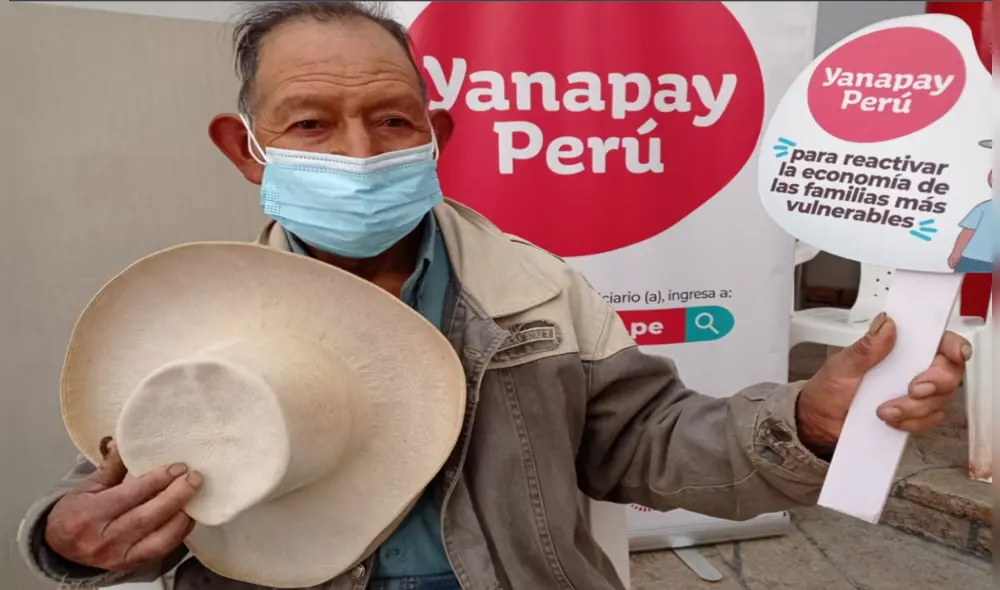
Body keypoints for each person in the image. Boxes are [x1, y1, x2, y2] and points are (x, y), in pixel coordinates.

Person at [19, 3, 971, 590]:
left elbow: (647, 440)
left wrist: (805, 416)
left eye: (391, 120)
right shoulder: (187, 323)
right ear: (245, 149)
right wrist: (68, 541)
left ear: (436, 132)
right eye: (311, 122)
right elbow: (105, 487)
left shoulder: (540, 295)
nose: (359, 153)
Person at [947, 140, 992, 274]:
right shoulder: (985, 207)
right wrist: (956, 252)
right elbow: (968, 232)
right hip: (972, 259)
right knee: (963, 289)